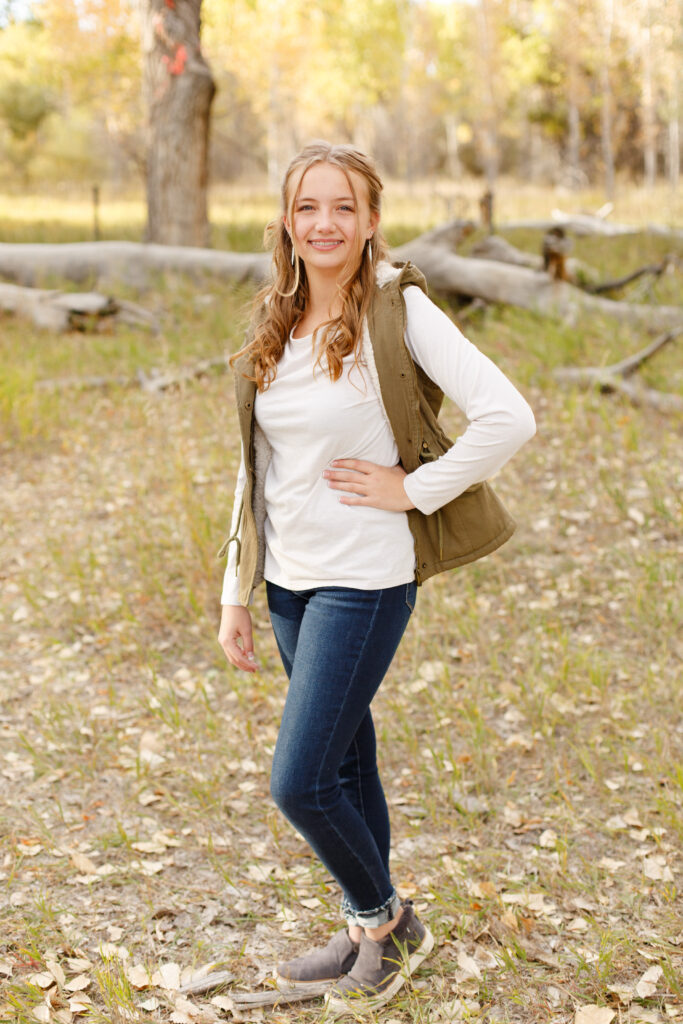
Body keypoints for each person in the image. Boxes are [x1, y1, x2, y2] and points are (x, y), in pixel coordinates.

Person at [217, 141, 536, 1015]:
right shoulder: (275, 320)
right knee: (348, 766)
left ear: (369, 221)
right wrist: (232, 593)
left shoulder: (399, 309)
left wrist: (411, 488)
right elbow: (255, 466)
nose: (324, 223)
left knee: (300, 780)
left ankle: (386, 919)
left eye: (342, 207)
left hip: (365, 576)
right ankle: (368, 938)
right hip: (288, 580)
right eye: (307, 207)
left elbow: (509, 416)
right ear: (286, 221)